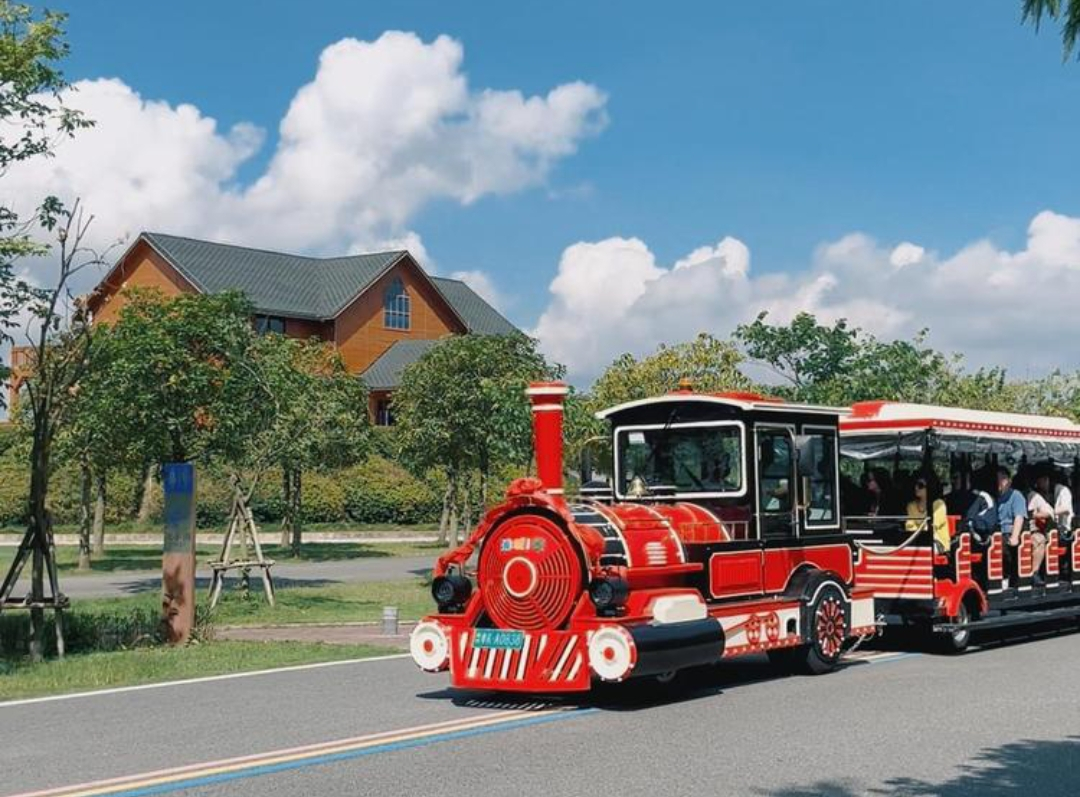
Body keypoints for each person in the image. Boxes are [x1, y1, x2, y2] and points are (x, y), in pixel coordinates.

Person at [997, 466, 1041, 585]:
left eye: (1003, 478)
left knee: (1004, 547)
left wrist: (1015, 537)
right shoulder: (995, 497)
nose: (1000, 482)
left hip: (1010, 532)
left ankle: (1007, 577)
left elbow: (1019, 517)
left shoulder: (1016, 496)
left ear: (1009, 481)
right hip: (997, 531)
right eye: (998, 479)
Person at [906, 476, 950, 552]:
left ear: (930, 487)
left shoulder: (939, 504)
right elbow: (909, 526)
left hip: (937, 542)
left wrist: (918, 529)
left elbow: (933, 526)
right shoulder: (911, 506)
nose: (916, 488)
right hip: (917, 541)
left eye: (920, 485)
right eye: (915, 484)